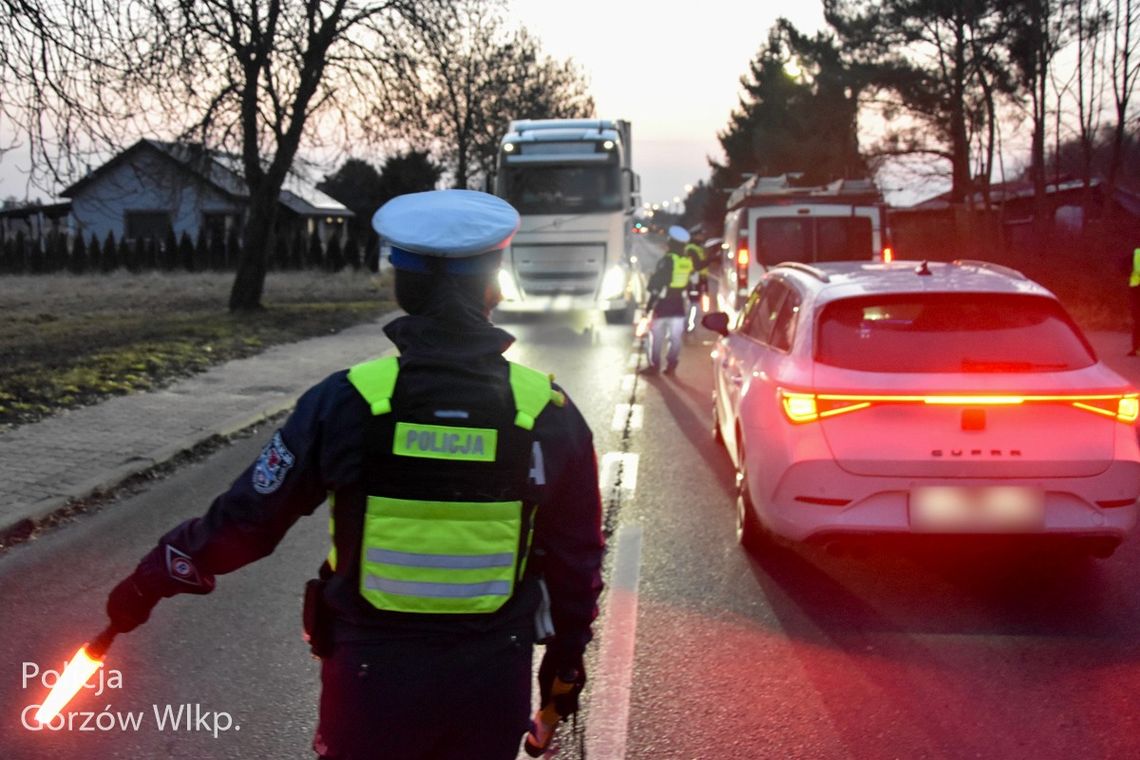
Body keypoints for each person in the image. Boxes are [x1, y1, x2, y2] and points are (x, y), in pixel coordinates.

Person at [104, 189, 606, 760]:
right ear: (492, 286)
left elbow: (249, 520)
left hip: (369, 683)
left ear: (404, 287)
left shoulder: (346, 402)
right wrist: (566, 661)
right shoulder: (547, 413)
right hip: (490, 683)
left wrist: (157, 574)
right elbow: (577, 558)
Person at [642, 225, 695, 374]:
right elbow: (688, 283)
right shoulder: (686, 262)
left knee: (656, 336)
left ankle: (654, 366)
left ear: (671, 243)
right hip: (679, 306)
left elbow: (657, 285)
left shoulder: (667, 261)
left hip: (663, 305)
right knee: (675, 338)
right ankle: (672, 364)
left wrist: (649, 307)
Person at [1131, 246, 1140, 356]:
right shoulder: (1137, 253)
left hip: (1136, 287)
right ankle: (1136, 348)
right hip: (1137, 288)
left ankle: (1136, 348)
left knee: (1137, 319)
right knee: (1137, 319)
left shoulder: (1136, 253)